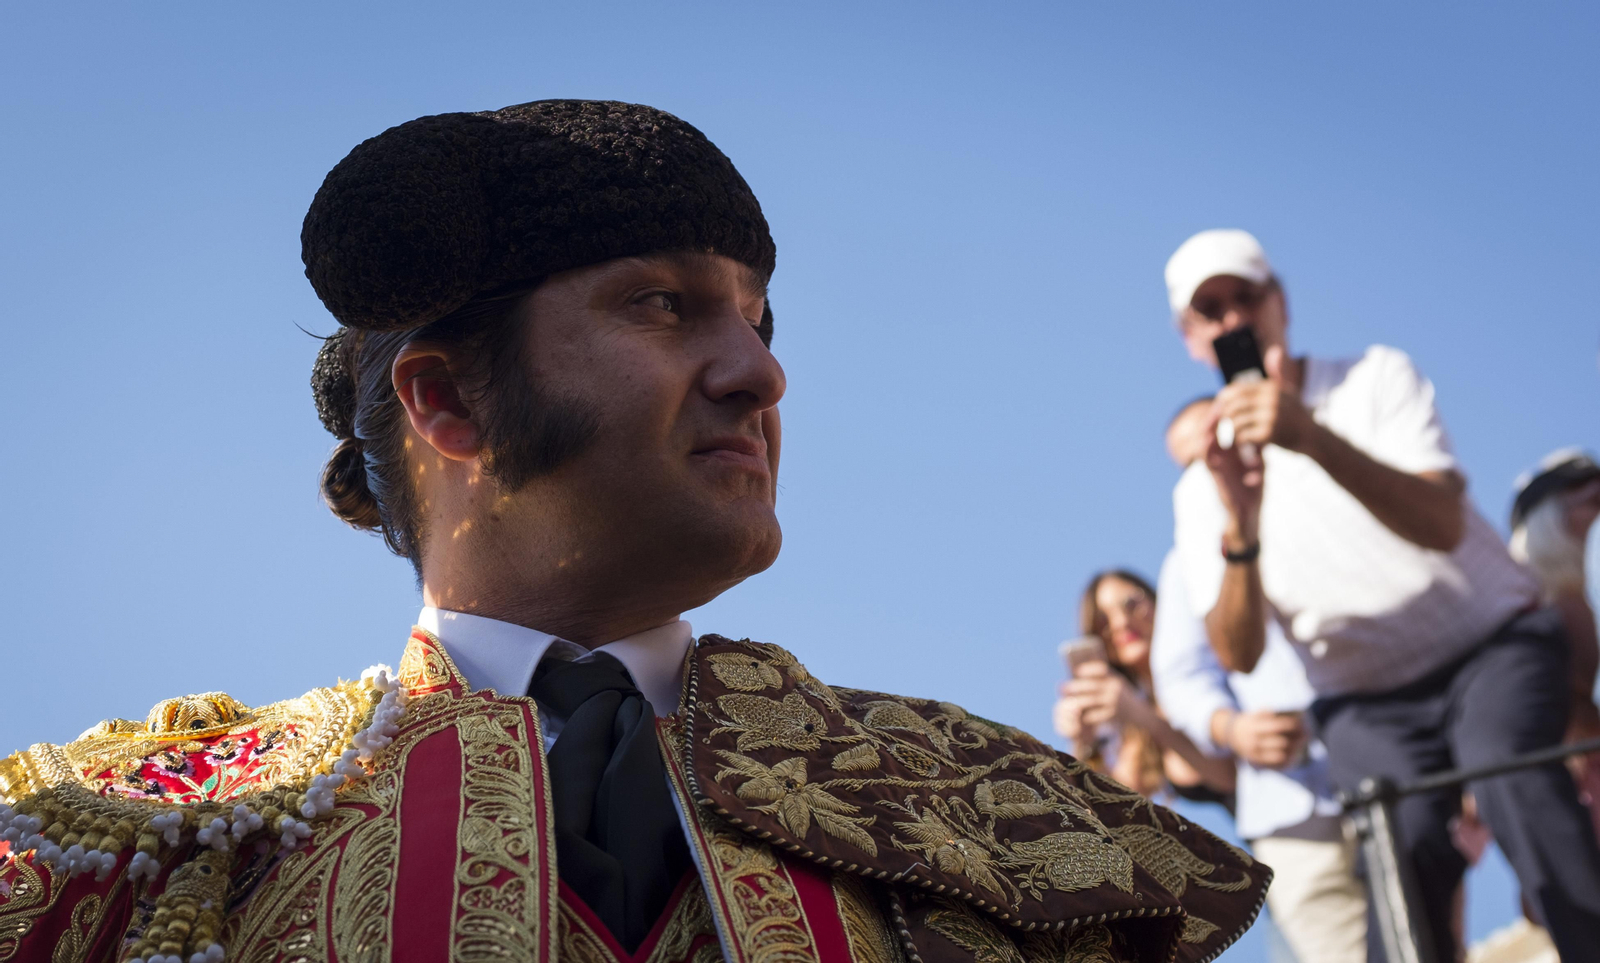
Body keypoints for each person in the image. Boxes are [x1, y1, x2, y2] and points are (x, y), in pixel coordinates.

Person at [0, 102, 1267, 963]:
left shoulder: (981, 798)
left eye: (760, 322)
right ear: (444, 399)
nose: (760, 377)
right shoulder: (134, 829)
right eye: (660, 307)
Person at [1163, 227, 1600, 961]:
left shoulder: (1373, 379)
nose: (1234, 318)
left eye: (1247, 296)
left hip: (1491, 646)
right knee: (1397, 844)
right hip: (1365, 700)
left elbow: (1438, 522)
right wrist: (1240, 524)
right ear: (1191, 336)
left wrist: (1313, 439)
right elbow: (1236, 651)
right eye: (1212, 309)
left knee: (1508, 771)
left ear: (1281, 302)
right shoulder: (1200, 491)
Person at [1152, 397, 1365, 963]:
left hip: (1386, 757)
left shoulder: (1330, 505)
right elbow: (1181, 675)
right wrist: (1232, 727)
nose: (1206, 465)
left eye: (1210, 442)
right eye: (1189, 462)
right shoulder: (1185, 562)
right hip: (1289, 806)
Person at [1053, 569, 1236, 802]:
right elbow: (1118, 806)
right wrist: (1084, 741)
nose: (1120, 622)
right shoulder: (1135, 730)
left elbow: (1231, 775)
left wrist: (1141, 716)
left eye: (1131, 603)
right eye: (1103, 620)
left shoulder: (1209, 664)